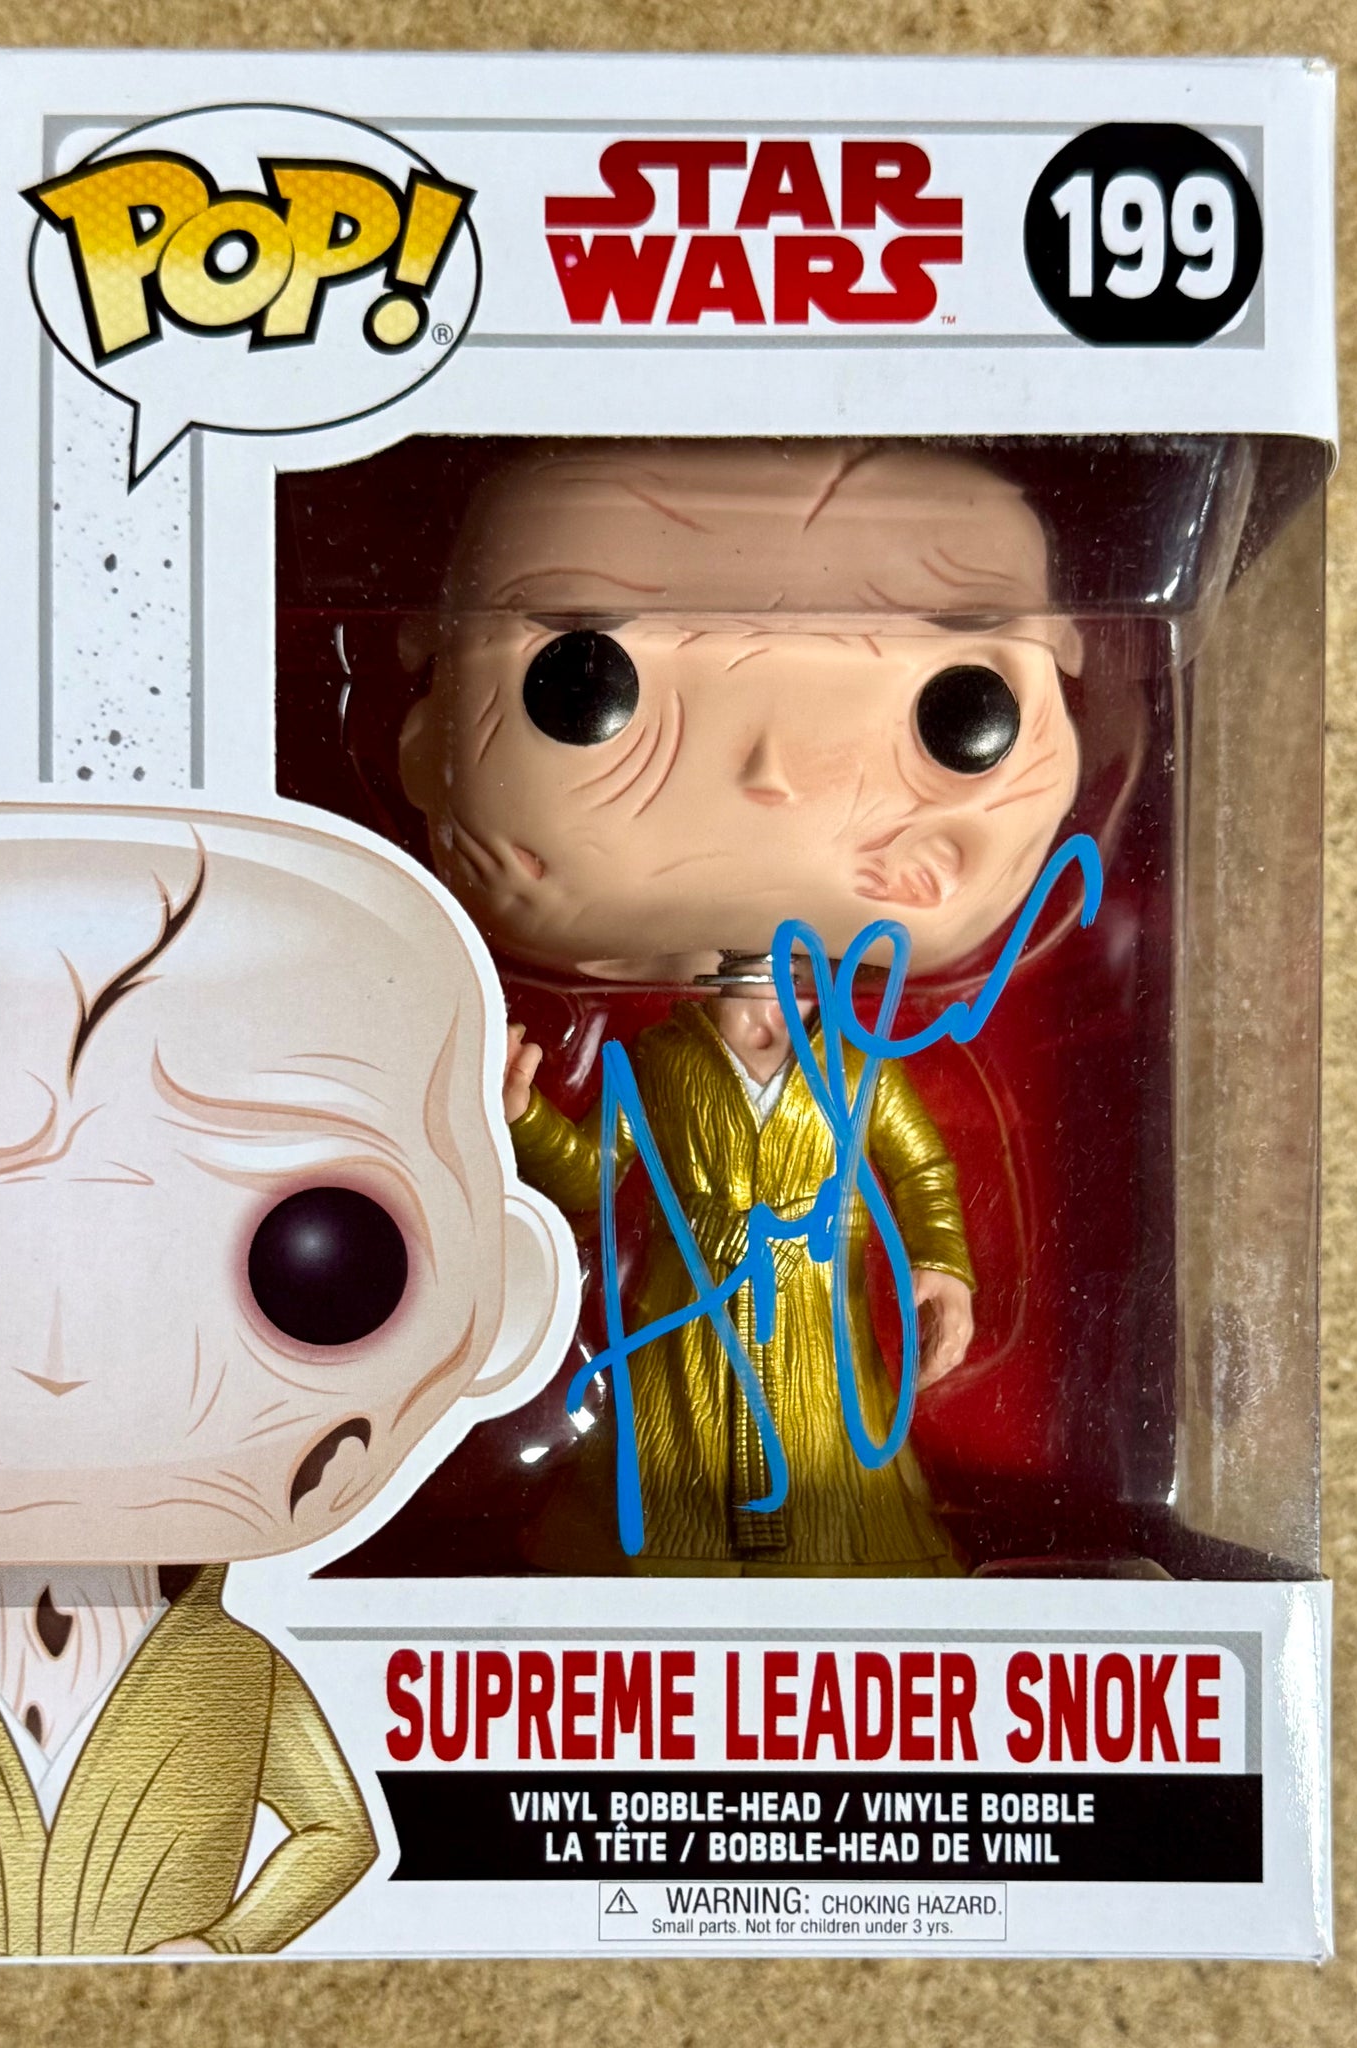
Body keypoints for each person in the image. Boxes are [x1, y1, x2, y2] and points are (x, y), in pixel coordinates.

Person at [398, 440, 1082, 1573]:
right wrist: (519, 1117)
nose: (772, 772)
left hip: (815, 1314)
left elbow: (918, 1168)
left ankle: (843, 1563)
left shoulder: (854, 1074)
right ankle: (656, 1559)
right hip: (692, 1308)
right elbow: (599, 1177)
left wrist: (943, 1267)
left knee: (831, 1458)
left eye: (961, 707)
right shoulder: (666, 1068)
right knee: (669, 1459)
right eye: (581, 681)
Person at [0, 805, 570, 1955]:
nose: (61, 1360)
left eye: (318, 1264)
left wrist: (227, 1947)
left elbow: (339, 1831)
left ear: (503, 1301)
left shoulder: (236, 1671)